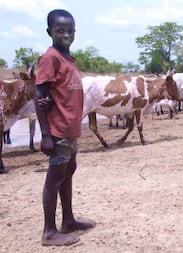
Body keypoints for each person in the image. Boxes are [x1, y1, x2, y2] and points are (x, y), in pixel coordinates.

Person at [35, 9, 94, 246]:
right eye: (60, 30)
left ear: (75, 32)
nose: (66, 34)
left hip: (71, 129)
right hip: (58, 130)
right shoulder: (50, 58)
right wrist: (46, 135)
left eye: (70, 30)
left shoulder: (68, 58)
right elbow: (39, 94)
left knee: (68, 173)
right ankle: (49, 231)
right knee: (54, 178)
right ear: (50, 32)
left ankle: (68, 220)